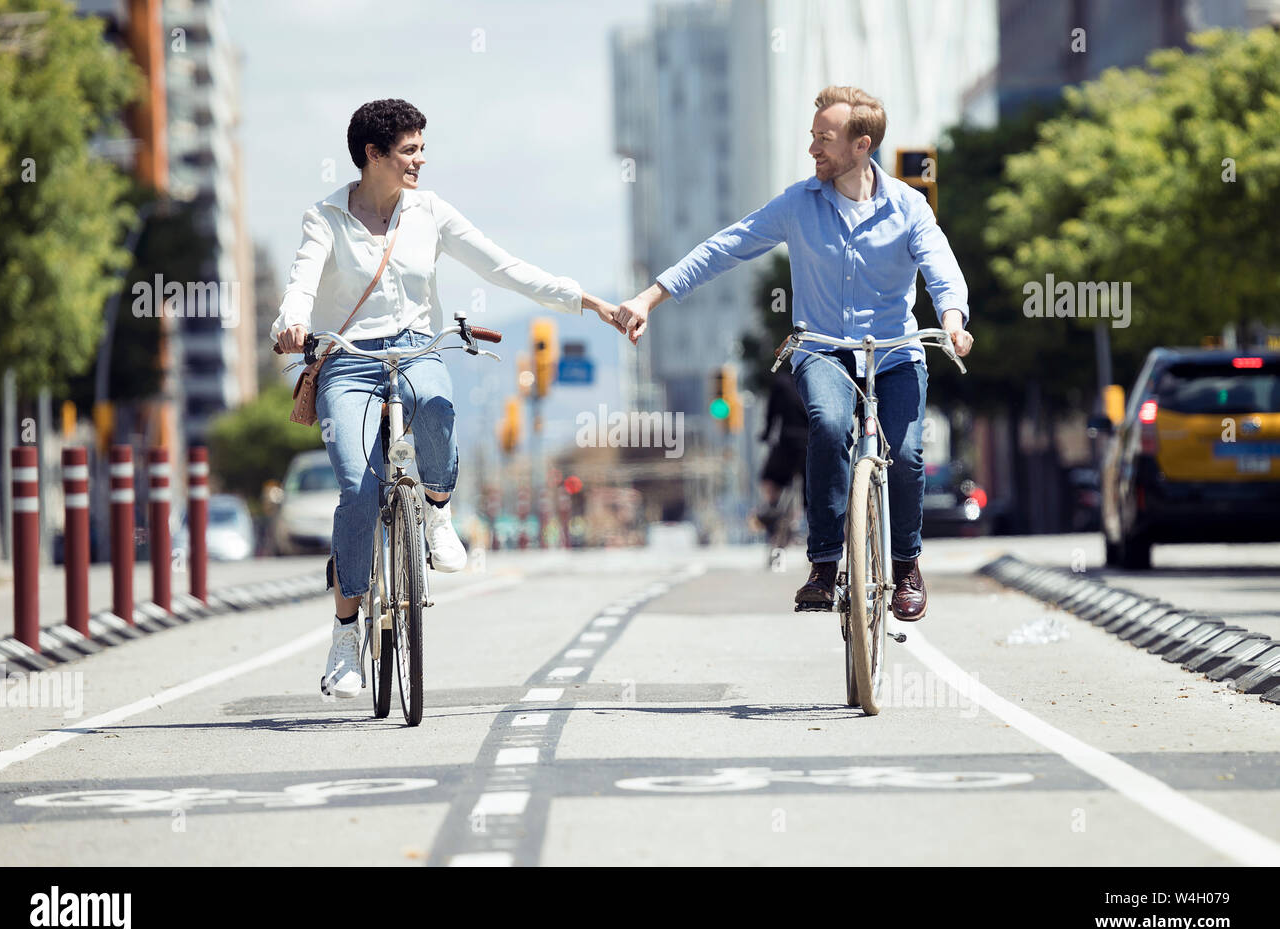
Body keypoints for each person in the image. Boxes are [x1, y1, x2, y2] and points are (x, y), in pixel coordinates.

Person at [272, 98, 623, 697]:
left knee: (436, 405)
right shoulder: (325, 217)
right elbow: (303, 279)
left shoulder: (429, 213)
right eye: (408, 150)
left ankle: (436, 507)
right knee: (358, 489)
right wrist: (291, 320)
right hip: (348, 358)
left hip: (415, 347)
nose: (420, 160)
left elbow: (502, 267)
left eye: (421, 148)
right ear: (372, 155)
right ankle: (345, 639)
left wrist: (586, 301)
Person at [616, 86, 973, 620]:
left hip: (895, 353)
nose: (813, 150)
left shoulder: (909, 207)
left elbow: (942, 271)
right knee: (828, 428)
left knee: (907, 456)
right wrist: (651, 296)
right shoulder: (797, 205)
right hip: (824, 349)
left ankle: (906, 567)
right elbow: (725, 247)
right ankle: (825, 562)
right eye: (812, 138)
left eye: (823, 140)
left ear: (861, 145)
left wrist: (952, 322)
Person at [753, 368, 808, 548]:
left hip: (788, 442)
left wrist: (767, 434)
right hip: (811, 444)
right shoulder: (814, 379)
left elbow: (772, 413)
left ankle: (771, 508)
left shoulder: (781, 382)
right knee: (813, 490)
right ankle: (812, 524)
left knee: (769, 479)